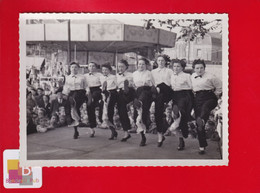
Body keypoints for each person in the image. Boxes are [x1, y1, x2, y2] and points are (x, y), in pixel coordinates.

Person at [191, 59, 222, 154]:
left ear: (204, 68)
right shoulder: (192, 76)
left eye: (201, 68)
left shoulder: (211, 76)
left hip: (209, 97)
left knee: (205, 108)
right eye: (197, 68)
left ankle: (203, 120)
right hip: (198, 99)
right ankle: (202, 146)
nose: (199, 70)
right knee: (199, 124)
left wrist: (216, 95)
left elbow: (220, 87)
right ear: (194, 69)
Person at [170, 59, 194, 150]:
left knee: (181, 112)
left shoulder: (187, 75)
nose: (176, 68)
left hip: (185, 95)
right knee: (176, 116)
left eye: (178, 66)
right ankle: (181, 139)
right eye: (174, 66)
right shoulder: (172, 76)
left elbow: (192, 87)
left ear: (182, 67)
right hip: (175, 96)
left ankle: (183, 129)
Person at [151, 55, 174, 147]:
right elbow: (152, 83)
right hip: (158, 95)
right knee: (158, 114)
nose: (160, 62)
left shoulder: (169, 71)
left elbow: (172, 83)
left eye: (162, 60)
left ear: (165, 62)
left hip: (168, 92)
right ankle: (160, 135)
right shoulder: (153, 72)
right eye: (159, 60)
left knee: (162, 85)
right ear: (156, 62)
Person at [63, 62, 88, 139]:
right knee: (70, 108)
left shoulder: (82, 77)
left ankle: (79, 122)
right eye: (72, 67)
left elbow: (86, 86)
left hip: (80, 93)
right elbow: (66, 87)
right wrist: (65, 94)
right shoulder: (67, 77)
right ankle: (75, 130)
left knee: (75, 107)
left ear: (78, 68)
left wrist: (87, 92)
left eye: (75, 67)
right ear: (70, 69)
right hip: (71, 93)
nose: (74, 69)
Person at [133, 57, 154, 146]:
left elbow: (152, 84)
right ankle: (143, 136)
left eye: (143, 64)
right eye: (139, 64)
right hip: (138, 93)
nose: (141, 66)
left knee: (143, 114)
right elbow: (133, 85)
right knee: (136, 116)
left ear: (146, 65)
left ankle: (143, 137)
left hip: (146, 93)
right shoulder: (134, 74)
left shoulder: (149, 73)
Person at [116, 59, 136, 142]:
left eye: (122, 66)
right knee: (122, 112)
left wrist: (130, 85)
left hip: (130, 92)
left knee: (127, 89)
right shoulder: (116, 76)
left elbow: (135, 85)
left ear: (126, 67)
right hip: (120, 93)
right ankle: (126, 132)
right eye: (119, 67)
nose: (120, 68)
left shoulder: (131, 75)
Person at [100, 63, 118, 140]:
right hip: (104, 96)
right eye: (103, 70)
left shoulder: (114, 77)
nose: (104, 71)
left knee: (109, 114)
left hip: (112, 95)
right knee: (104, 115)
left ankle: (113, 131)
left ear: (110, 70)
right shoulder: (100, 77)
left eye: (106, 70)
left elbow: (117, 86)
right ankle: (113, 130)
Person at [84, 62, 103, 137]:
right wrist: (87, 90)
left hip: (97, 90)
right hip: (88, 91)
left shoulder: (100, 75)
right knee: (89, 107)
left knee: (95, 98)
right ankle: (92, 128)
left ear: (96, 67)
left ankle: (101, 120)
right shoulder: (85, 76)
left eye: (93, 66)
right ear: (88, 67)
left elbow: (102, 84)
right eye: (90, 66)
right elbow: (84, 85)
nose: (91, 67)